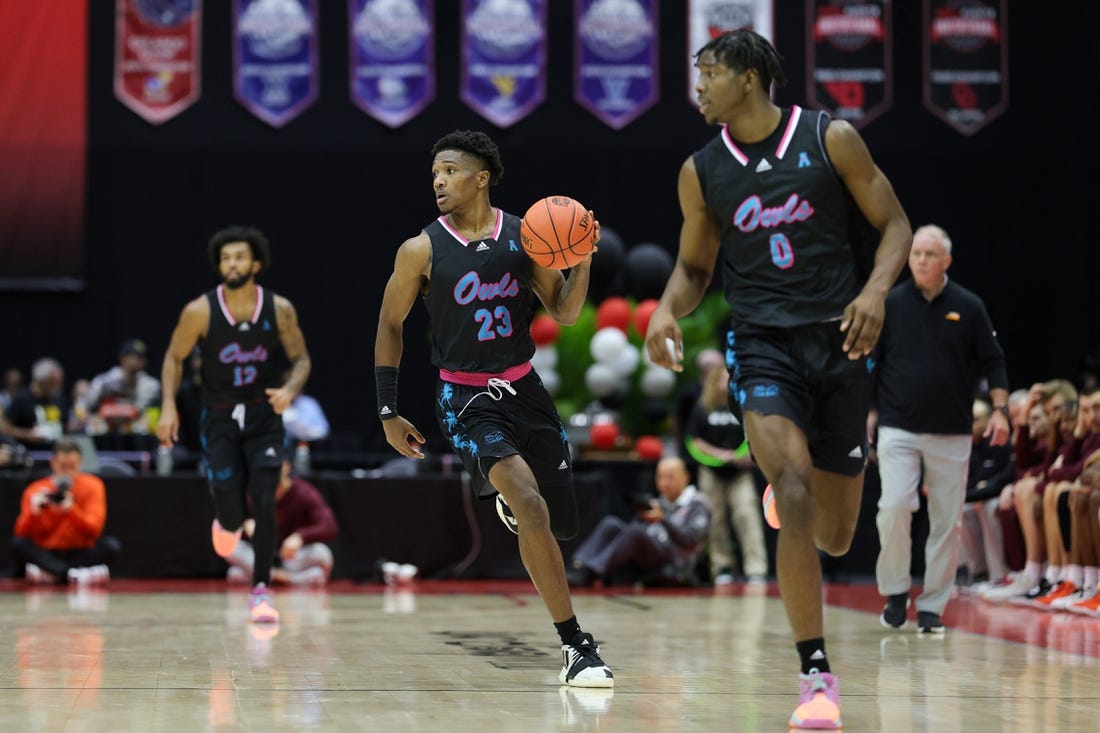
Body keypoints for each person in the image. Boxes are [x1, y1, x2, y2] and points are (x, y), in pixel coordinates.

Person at [642, 29, 912, 729]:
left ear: (749, 78)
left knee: (836, 535)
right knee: (792, 489)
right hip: (763, 343)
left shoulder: (832, 139)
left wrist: (877, 292)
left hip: (841, 339)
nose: (698, 87)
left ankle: (787, 487)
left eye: (709, 73)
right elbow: (697, 268)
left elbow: (896, 226)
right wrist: (666, 310)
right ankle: (815, 673)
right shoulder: (701, 170)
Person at [374, 130, 613, 688]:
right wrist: (388, 409)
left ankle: (516, 501)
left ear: (481, 177)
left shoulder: (526, 237)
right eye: (435, 172)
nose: (438, 180)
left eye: (451, 170)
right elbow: (390, 324)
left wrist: (582, 258)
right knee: (529, 505)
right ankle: (575, 644)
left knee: (559, 525)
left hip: (526, 390)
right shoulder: (421, 249)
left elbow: (566, 312)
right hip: (464, 397)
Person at [156, 225, 312, 625]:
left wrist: (290, 389)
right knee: (229, 512)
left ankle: (260, 591)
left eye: (239, 257)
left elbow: (302, 360)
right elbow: (174, 358)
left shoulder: (279, 308)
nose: (232, 264)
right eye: (225, 258)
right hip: (220, 417)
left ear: (256, 263)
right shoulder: (200, 310)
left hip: (264, 416)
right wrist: (168, 407)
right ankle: (225, 522)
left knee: (264, 498)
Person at [870, 223, 1010, 634]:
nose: (921, 261)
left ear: (946, 261)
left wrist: (1001, 409)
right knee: (893, 506)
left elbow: (994, 360)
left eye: (930, 255)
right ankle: (895, 592)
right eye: (915, 254)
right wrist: (868, 412)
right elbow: (869, 363)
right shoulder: (892, 303)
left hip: (952, 431)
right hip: (899, 426)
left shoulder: (968, 306)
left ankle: (932, 605)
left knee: (946, 520)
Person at [567, 455, 711, 587]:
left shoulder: (697, 503)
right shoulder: (660, 502)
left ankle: (593, 572)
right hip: (649, 554)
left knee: (636, 533)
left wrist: (662, 519)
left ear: (685, 477)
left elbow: (690, 540)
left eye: (670, 477)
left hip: (674, 560)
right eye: (660, 477)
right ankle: (579, 566)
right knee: (611, 523)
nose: (664, 483)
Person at [683, 363, 767, 584]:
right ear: (713, 382)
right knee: (715, 519)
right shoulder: (703, 408)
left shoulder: (743, 406)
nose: (726, 383)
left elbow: (756, 433)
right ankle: (722, 568)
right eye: (722, 379)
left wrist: (746, 454)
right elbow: (695, 440)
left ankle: (756, 568)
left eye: (730, 379)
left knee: (746, 514)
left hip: (739, 473)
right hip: (711, 471)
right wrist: (720, 455)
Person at [11, 438, 121, 585]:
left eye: (72, 466)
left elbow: (95, 530)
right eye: (63, 466)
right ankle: (72, 574)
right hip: (47, 551)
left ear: (80, 463)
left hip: (80, 551)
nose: (67, 472)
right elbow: (20, 533)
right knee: (18, 544)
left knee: (111, 546)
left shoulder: (94, 485)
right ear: (53, 462)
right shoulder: (36, 489)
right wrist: (34, 512)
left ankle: (55, 573)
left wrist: (71, 510)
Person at [225, 459, 338, 587]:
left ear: (287, 467)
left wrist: (300, 537)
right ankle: (281, 578)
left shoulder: (304, 492)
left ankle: (268, 577)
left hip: (291, 559)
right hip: (259, 557)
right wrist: (246, 524)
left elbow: (329, 525)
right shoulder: (252, 491)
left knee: (322, 553)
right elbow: (227, 521)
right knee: (231, 549)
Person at [959, 399, 1015, 589]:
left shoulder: (1000, 441)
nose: (970, 424)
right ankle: (977, 572)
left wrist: (979, 492)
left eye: (976, 419)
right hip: (978, 496)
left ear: (987, 420)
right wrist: (976, 493)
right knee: (962, 509)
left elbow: (1003, 477)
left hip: (1001, 494)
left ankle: (998, 574)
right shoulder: (966, 446)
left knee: (989, 508)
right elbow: (970, 481)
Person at [77, 338, 162, 445]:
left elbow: (140, 410)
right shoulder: (106, 381)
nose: (141, 360)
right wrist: (87, 418)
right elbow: (82, 405)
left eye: (143, 357)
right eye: (136, 356)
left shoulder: (150, 384)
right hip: (105, 435)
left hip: (137, 437)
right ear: (123, 359)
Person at [1, 357, 69, 447]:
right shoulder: (22, 398)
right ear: (41, 381)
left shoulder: (60, 398)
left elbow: (65, 426)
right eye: (53, 382)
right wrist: (27, 434)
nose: (58, 386)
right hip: (30, 454)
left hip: (57, 452)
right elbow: (5, 428)